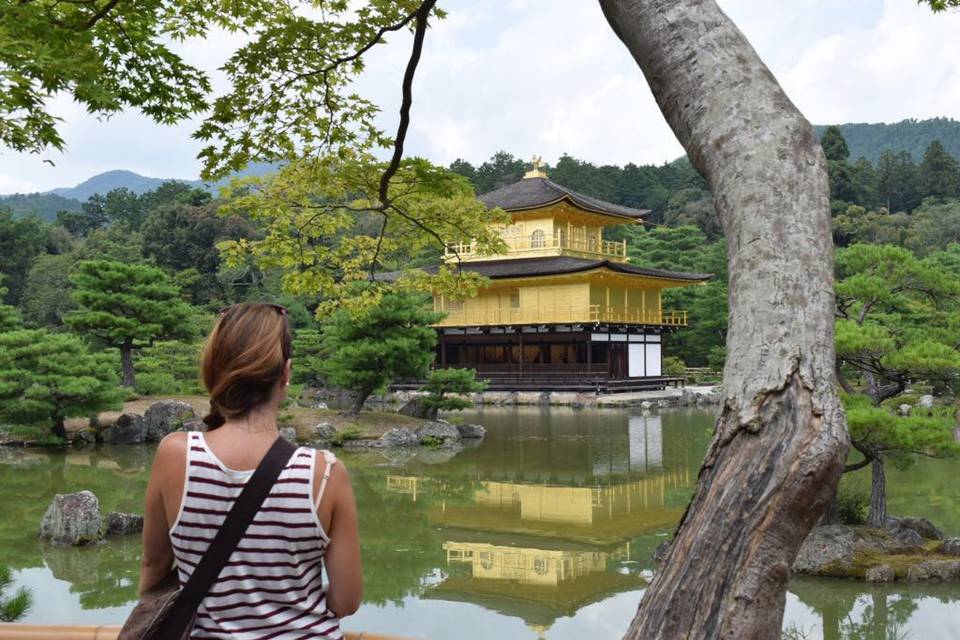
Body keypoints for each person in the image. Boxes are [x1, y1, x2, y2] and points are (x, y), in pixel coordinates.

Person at [137, 302, 362, 638]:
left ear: (215, 370)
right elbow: (346, 600)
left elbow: (154, 569)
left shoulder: (175, 455)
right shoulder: (325, 473)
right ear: (286, 372)